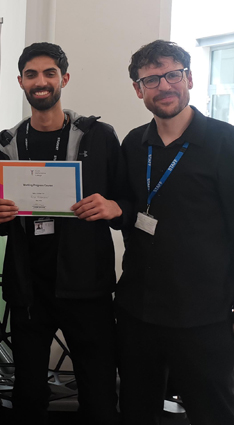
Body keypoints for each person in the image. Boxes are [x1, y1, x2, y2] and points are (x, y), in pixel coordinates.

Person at [0, 42, 125, 425]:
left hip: (87, 285)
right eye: (31, 74)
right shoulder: (4, 145)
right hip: (29, 287)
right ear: (20, 82)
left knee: (98, 390)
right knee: (28, 391)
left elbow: (125, 205)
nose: (40, 81)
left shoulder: (100, 137)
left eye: (49, 73)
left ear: (64, 78)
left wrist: (114, 208)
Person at [117, 39, 234, 425]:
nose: (164, 86)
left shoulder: (225, 142)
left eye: (172, 74)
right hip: (138, 309)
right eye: (151, 79)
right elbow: (131, 212)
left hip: (204, 314)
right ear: (138, 89)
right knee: (137, 409)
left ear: (189, 78)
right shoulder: (134, 143)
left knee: (212, 412)